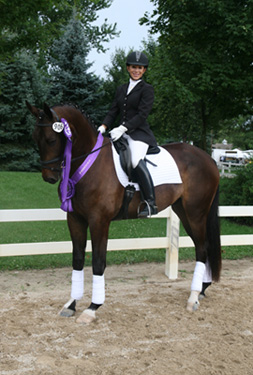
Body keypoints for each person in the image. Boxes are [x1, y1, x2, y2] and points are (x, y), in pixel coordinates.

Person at [98, 51, 158, 218]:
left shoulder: (147, 89)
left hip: (139, 134)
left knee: (135, 160)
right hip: (120, 134)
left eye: (140, 68)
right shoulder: (121, 89)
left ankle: (151, 203)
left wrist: (123, 128)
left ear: (144, 70)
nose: (136, 70)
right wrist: (103, 126)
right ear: (128, 68)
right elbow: (113, 111)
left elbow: (142, 115)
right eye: (133, 67)